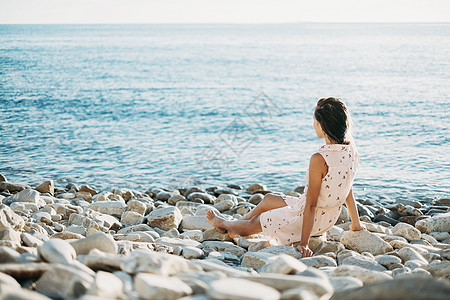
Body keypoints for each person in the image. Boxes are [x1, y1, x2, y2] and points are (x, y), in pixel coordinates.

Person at [206, 97, 365, 257]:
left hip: (309, 219)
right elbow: (347, 189)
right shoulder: (351, 151)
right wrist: (356, 224)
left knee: (256, 222)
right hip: (327, 217)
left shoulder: (320, 158)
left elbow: (311, 206)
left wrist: (304, 244)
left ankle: (225, 224)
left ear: (323, 126)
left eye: (315, 121)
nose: (313, 125)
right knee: (268, 199)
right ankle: (236, 225)